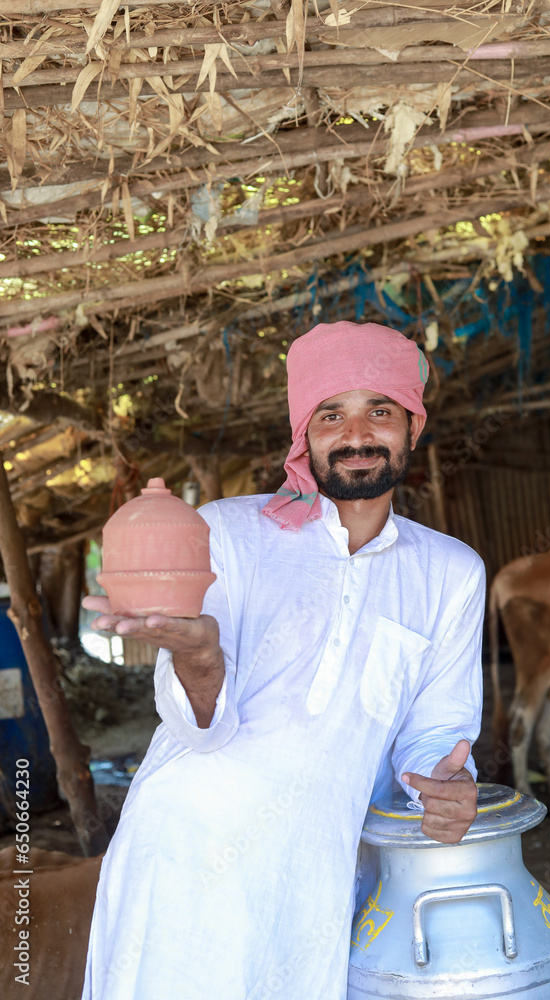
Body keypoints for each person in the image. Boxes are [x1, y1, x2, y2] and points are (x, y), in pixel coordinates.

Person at [81, 320, 485, 1000]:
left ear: (413, 427)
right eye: (332, 414)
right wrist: (203, 659)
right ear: (303, 433)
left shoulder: (451, 573)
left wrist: (447, 788)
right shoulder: (227, 533)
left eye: (379, 411)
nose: (356, 435)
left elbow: (438, 730)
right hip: (185, 859)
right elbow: (199, 726)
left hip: (318, 872)